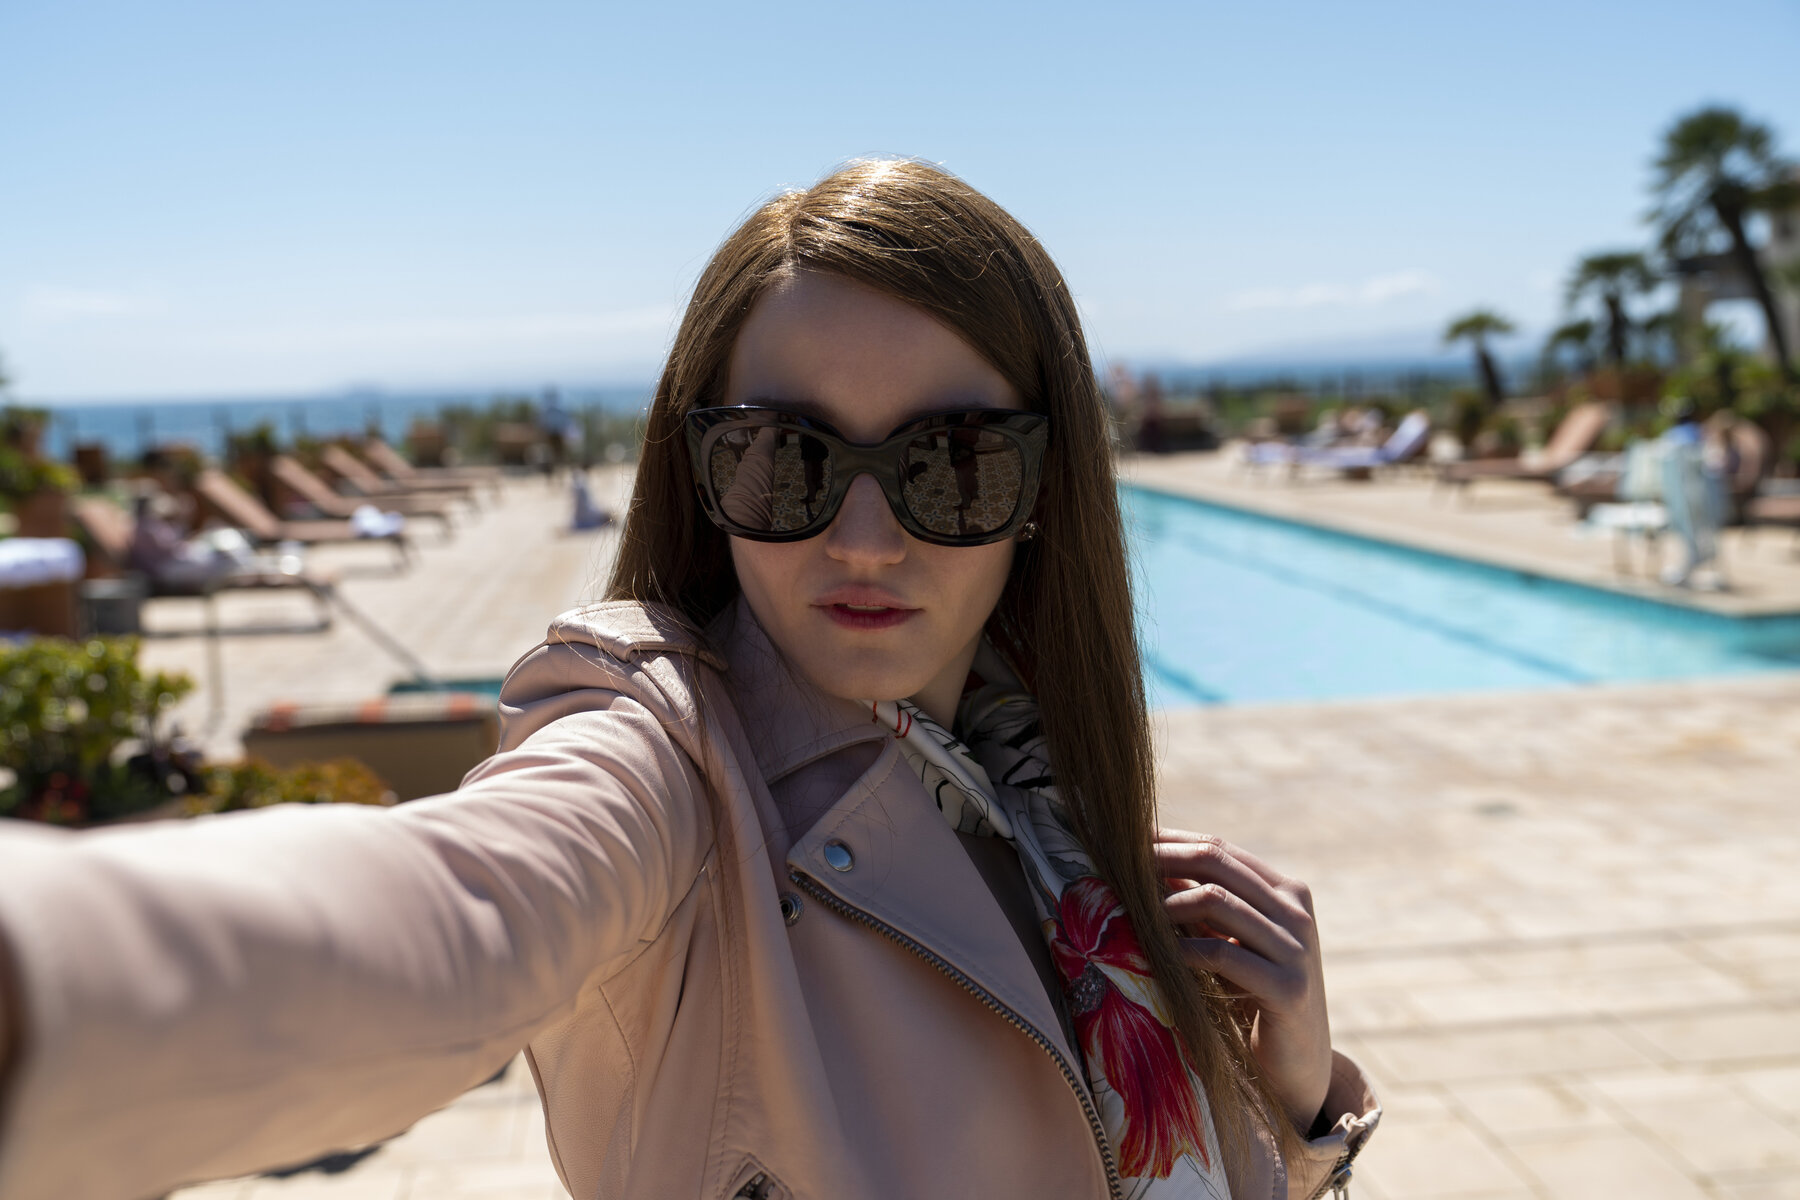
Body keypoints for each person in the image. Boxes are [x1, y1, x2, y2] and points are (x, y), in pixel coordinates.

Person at [0, 160, 1377, 1200]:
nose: (864, 537)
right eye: (786, 458)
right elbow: (468, 913)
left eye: (952, 462)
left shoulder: (1039, 798)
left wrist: (1295, 1098)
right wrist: (48, 986)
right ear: (704, 476)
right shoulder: (664, 753)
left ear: (1042, 493)